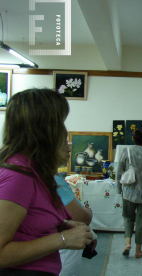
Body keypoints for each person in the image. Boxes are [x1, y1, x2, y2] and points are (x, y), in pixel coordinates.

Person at [0, 88, 93, 276]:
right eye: (60, 123)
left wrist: (58, 226)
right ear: (44, 129)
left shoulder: (34, 171)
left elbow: (26, 224)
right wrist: (62, 239)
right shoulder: (19, 175)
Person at [55, 146, 97, 276]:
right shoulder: (52, 180)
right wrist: (87, 212)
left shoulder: (54, 177)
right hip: (60, 257)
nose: (68, 148)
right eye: (62, 143)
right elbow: (80, 217)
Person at [116, 129, 142, 258]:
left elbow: (118, 171)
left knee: (128, 218)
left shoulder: (126, 151)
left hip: (128, 192)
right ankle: (138, 251)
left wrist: (118, 188)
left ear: (133, 139)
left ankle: (127, 243)